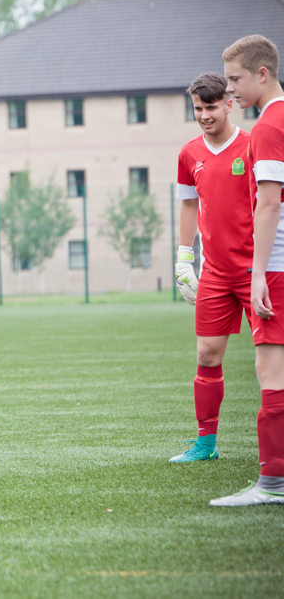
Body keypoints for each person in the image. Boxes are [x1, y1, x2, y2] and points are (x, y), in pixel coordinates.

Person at [211, 34, 284, 506]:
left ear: (262, 74)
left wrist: (257, 272)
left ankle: (272, 485)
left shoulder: (268, 126)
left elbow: (270, 201)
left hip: (276, 265)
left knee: (270, 369)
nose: (229, 89)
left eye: (235, 79)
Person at [170, 72, 255, 463]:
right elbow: (189, 204)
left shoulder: (254, 147)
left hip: (259, 270)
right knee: (206, 354)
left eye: (211, 107)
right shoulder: (189, 154)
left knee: (271, 361)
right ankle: (205, 444)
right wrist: (185, 257)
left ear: (229, 104)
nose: (204, 115)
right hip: (216, 273)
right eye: (198, 108)